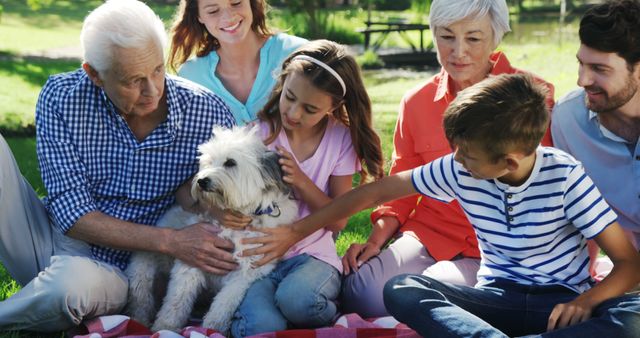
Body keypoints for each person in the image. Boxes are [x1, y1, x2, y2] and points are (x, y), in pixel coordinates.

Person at [246, 73, 640, 337]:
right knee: (402, 289)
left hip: (560, 302)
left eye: (467, 155)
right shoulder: (460, 167)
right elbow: (377, 193)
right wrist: (297, 230)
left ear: (509, 162)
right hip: (492, 299)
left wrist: (585, 302)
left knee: (633, 314)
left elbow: (628, 263)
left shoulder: (566, 177)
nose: (457, 160)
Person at [0, 0, 237, 331]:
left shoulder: (208, 113)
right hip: (53, 238)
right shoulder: (61, 96)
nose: (152, 90)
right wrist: (171, 240)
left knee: (68, 286)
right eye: (133, 80)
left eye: (157, 70)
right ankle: (44, 293)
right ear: (94, 74)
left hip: (123, 271)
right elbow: (71, 214)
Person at [340, 0, 555, 318]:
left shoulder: (535, 97)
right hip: (429, 232)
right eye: (446, 36)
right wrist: (375, 241)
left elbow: (547, 190)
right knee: (360, 294)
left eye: (473, 38)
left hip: (494, 246)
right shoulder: (416, 102)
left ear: (495, 38)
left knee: (429, 292)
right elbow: (400, 186)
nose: (458, 51)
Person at [230, 39, 384, 337]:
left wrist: (301, 181)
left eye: (311, 109)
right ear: (283, 80)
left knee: (298, 300)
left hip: (313, 256)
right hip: (260, 257)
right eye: (290, 97)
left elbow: (339, 220)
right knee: (262, 326)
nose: (294, 114)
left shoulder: (340, 140)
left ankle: (322, 315)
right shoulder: (257, 134)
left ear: (333, 107)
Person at [551, 0, 640, 279]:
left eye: (600, 69)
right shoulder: (567, 120)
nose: (582, 80)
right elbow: (577, 211)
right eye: (581, 64)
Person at [168, 0, 307, 125]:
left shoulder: (298, 53)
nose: (229, 17)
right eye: (213, 11)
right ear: (199, 16)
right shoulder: (191, 76)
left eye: (236, 3)